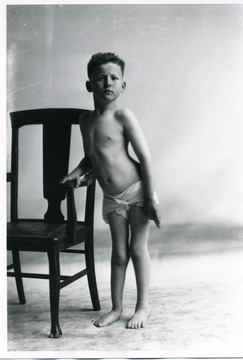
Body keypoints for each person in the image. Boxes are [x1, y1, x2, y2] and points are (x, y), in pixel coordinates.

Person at [61, 52, 160, 329]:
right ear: (89, 85)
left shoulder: (123, 116)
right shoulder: (84, 120)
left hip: (138, 190)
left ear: (123, 86)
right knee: (118, 253)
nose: (108, 82)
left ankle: (143, 307)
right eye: (101, 77)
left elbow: (146, 158)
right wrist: (77, 173)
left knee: (137, 248)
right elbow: (91, 157)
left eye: (114, 78)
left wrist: (151, 198)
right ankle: (116, 308)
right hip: (112, 197)